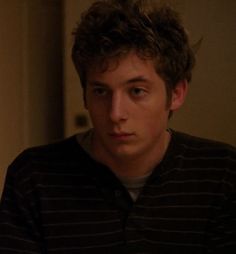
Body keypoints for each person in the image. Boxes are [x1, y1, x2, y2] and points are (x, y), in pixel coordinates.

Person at [0, 0, 235, 253]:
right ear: (84, 96)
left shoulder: (222, 174)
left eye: (137, 91)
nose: (115, 113)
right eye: (101, 91)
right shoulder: (34, 177)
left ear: (176, 93)